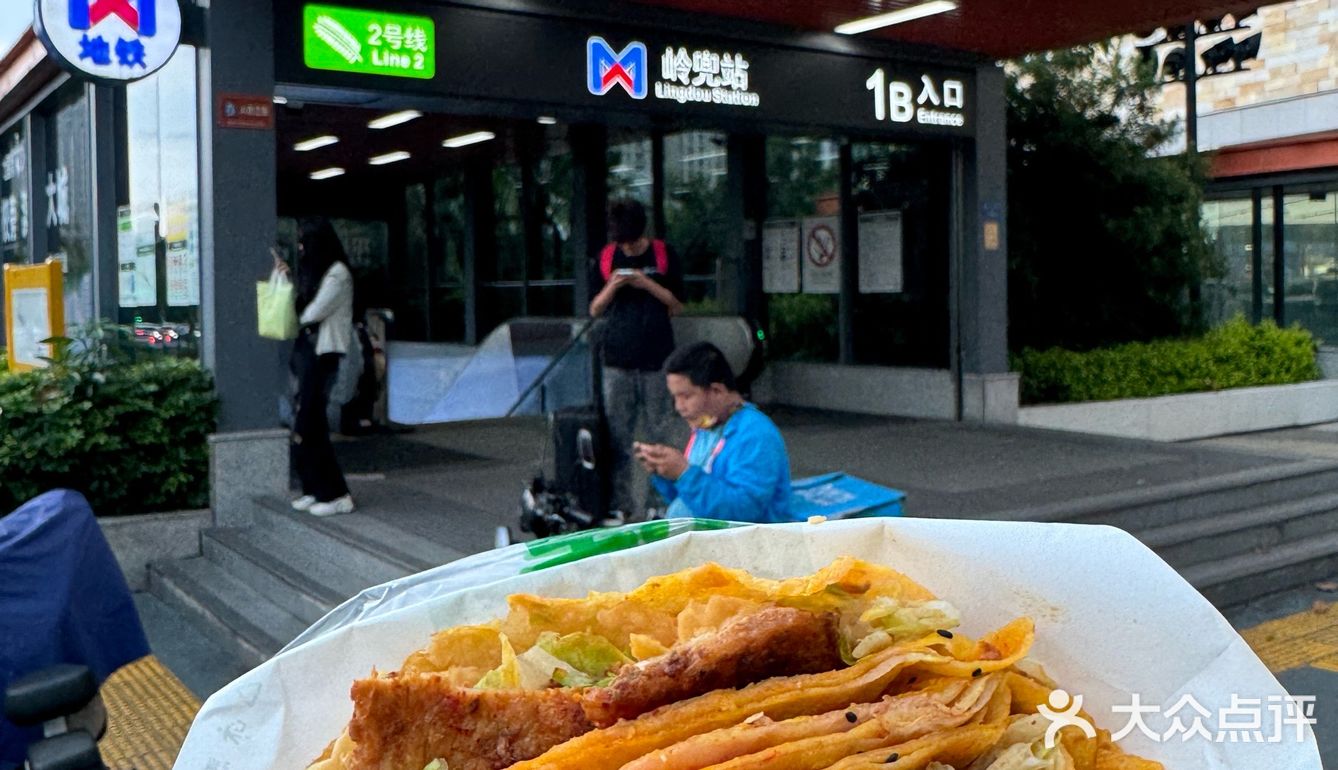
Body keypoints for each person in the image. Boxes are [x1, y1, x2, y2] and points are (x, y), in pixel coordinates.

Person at [589, 199, 685, 520]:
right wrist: (614, 285)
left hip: (657, 360)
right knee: (618, 437)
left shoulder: (663, 254)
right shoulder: (606, 257)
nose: (627, 249)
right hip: (617, 361)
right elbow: (594, 309)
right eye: (622, 243)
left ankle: (658, 502)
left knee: (660, 433)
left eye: (632, 242)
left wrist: (646, 283)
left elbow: (677, 305)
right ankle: (622, 503)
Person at [635, 342, 794, 523]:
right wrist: (664, 473)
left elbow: (744, 513)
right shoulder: (705, 428)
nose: (678, 407)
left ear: (717, 391)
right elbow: (688, 498)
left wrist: (683, 473)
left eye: (686, 396)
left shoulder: (756, 435)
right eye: (675, 397)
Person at [276, 219, 356, 516]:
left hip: (324, 356)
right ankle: (314, 488)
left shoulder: (337, 275)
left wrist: (294, 304)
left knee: (311, 424)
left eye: (304, 242)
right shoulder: (322, 273)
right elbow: (303, 304)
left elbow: (312, 312)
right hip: (311, 356)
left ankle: (336, 493)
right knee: (308, 424)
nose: (301, 249)